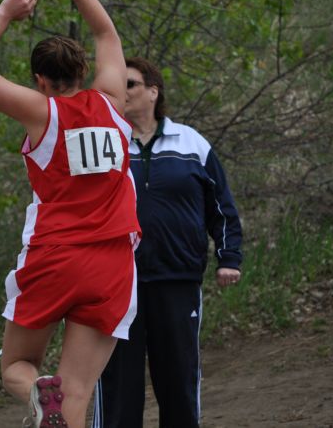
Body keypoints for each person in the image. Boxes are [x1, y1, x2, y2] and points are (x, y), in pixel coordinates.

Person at [0, 0, 140, 428]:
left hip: (55, 257)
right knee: (78, 393)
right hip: (112, 263)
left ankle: (38, 391)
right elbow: (106, 30)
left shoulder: (43, 113)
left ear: (40, 80)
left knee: (18, 368)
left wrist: (5, 11)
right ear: (83, 72)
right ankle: (54, 400)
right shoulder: (113, 104)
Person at [92, 57, 243, 428]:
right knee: (118, 391)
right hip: (116, 287)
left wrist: (229, 257)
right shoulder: (105, 144)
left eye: (130, 84)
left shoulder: (192, 143)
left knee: (178, 382)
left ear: (153, 92)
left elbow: (222, 208)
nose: (121, 91)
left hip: (177, 281)